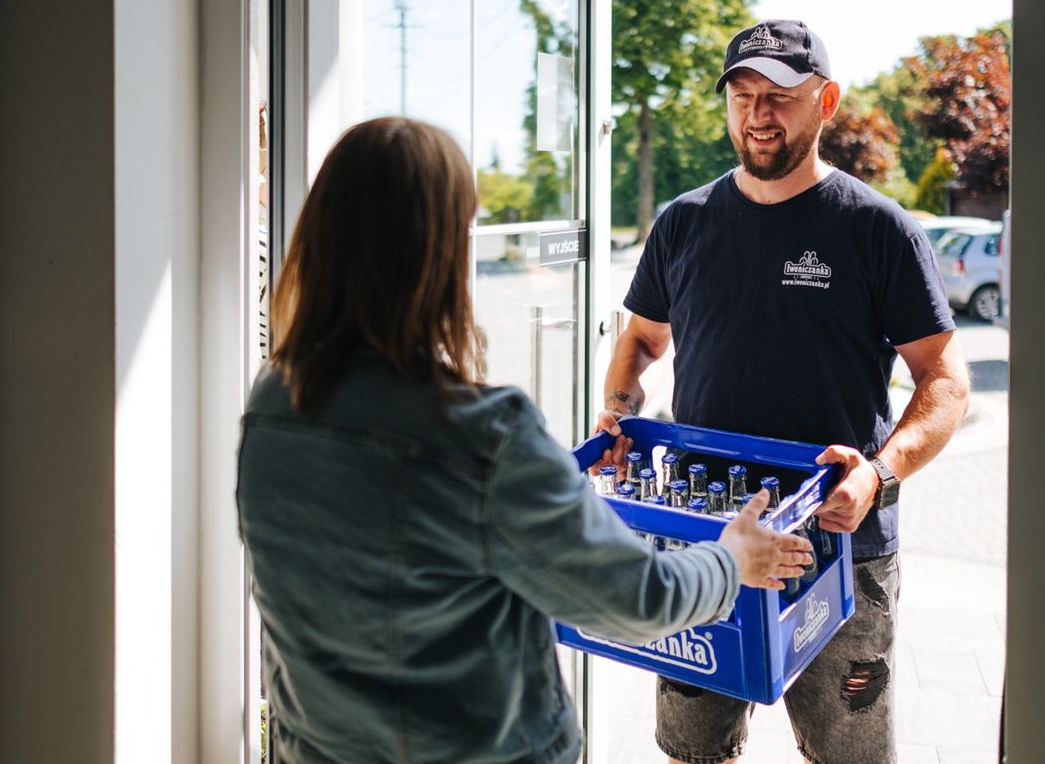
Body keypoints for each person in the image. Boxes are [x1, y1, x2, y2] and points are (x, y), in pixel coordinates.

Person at [235, 116, 814, 764]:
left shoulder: (269, 405)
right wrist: (733, 559)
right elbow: (636, 600)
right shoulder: (485, 434)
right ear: (439, 254)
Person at [594, 20, 971, 764]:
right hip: (708, 539)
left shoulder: (878, 230)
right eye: (742, 96)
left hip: (839, 544)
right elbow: (640, 340)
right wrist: (618, 412)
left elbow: (946, 381)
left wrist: (881, 473)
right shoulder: (684, 223)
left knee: (848, 757)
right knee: (692, 751)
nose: (758, 114)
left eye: (779, 97)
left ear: (825, 101)